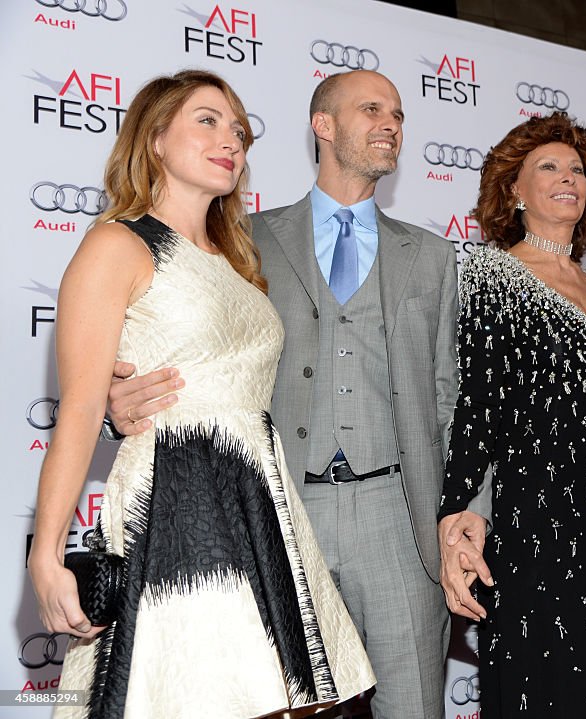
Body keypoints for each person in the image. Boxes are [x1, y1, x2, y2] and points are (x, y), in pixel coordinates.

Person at [105, 69, 488, 719]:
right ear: (323, 126)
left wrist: (466, 508)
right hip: (277, 514)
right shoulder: (241, 237)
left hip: (399, 518)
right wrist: (122, 405)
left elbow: (454, 397)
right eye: (371, 109)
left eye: (397, 113)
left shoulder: (431, 255)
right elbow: (189, 347)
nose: (390, 123)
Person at [27, 69, 374, 718]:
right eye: (208, 121)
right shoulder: (118, 244)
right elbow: (78, 405)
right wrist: (46, 555)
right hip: (178, 501)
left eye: (239, 130)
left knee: (276, 699)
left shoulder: (236, 261)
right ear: (155, 138)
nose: (231, 140)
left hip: (261, 501)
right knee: (193, 695)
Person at [437, 112, 586, 717]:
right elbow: (478, 404)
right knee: (550, 684)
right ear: (514, 189)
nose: (568, 178)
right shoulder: (490, 272)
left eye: (577, 170)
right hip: (536, 515)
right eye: (548, 167)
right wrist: (460, 513)